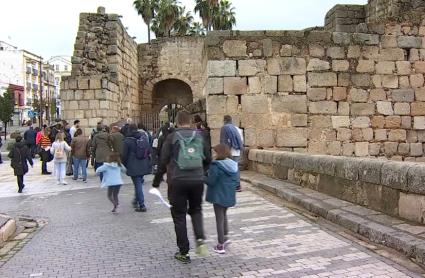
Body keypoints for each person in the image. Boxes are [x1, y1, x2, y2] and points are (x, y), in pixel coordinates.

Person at [152, 111, 211, 264]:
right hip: (197, 180)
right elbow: (208, 159)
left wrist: (156, 182)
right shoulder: (200, 136)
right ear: (190, 122)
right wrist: (201, 173)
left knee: (179, 216)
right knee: (196, 210)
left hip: (177, 181)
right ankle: (200, 239)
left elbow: (163, 161)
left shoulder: (171, 137)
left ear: (177, 122)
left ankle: (183, 252)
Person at [205, 144, 238, 254]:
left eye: (215, 152)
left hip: (218, 195)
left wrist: (202, 176)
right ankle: (225, 237)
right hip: (228, 195)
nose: (213, 154)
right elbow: (237, 183)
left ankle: (220, 245)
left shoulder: (216, 165)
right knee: (224, 216)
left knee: (219, 219)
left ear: (219, 153)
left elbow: (211, 181)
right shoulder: (233, 165)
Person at [122, 124, 152, 212]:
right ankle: (136, 200)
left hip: (133, 165)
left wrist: (125, 165)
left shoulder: (127, 140)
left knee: (138, 184)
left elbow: (124, 156)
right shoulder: (143, 137)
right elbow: (149, 150)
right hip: (144, 164)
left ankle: (142, 205)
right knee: (138, 183)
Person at [220, 115, 244, 192]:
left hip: (228, 151)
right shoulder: (237, 129)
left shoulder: (224, 128)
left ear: (224, 120)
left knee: (227, 168)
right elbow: (241, 141)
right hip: (236, 151)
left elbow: (222, 141)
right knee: (235, 168)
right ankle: (237, 186)